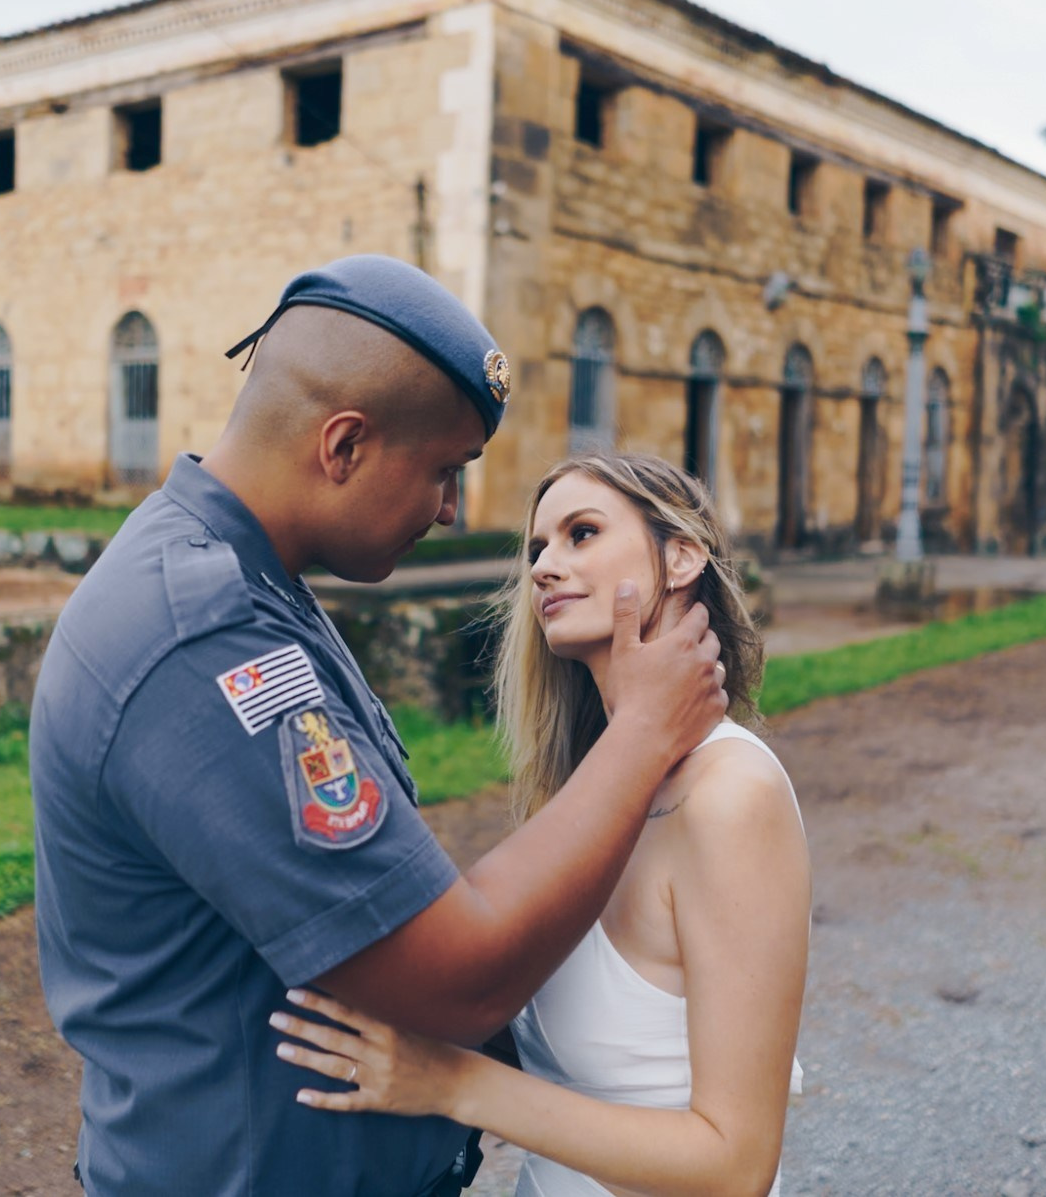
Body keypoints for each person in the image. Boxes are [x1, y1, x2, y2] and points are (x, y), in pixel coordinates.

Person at [30, 256, 728, 1196]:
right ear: (344, 445)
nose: (450, 510)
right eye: (445, 471)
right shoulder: (207, 639)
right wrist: (644, 729)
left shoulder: (250, 583)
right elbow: (456, 977)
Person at [270, 452, 814, 1197]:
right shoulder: (591, 786)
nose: (545, 566)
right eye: (536, 549)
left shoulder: (731, 795)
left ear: (682, 555)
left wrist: (454, 1082)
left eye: (581, 533)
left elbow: (735, 1164)